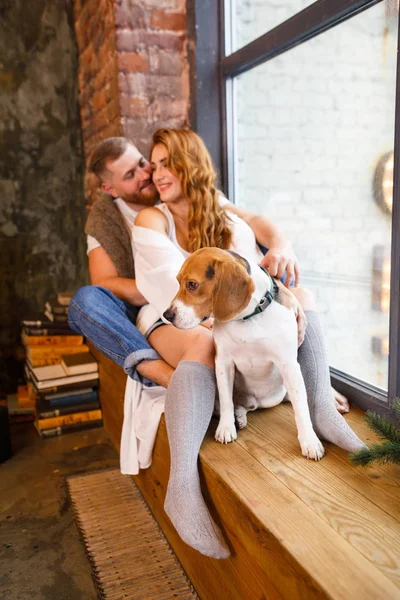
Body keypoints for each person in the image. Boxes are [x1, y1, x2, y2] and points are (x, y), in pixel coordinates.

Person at [69, 134, 362, 559]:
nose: (154, 173)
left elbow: (257, 234)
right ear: (111, 187)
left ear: (192, 164)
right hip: (175, 311)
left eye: (161, 163)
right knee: (205, 344)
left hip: (231, 309)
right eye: (149, 167)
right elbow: (172, 285)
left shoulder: (217, 204)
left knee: (304, 295)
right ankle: (182, 486)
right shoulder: (148, 220)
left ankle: (319, 407)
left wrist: (280, 261)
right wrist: (253, 301)